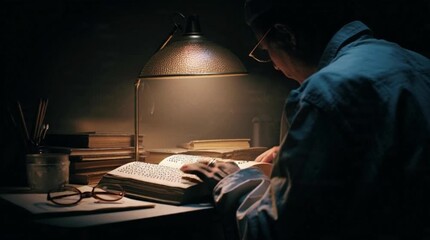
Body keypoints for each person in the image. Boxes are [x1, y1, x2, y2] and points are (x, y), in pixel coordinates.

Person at [180, 0, 430, 239]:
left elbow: (273, 232)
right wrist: (308, 153)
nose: (276, 67)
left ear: (287, 35)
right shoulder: (418, 64)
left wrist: (233, 181)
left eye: (267, 52)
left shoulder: (326, 91)